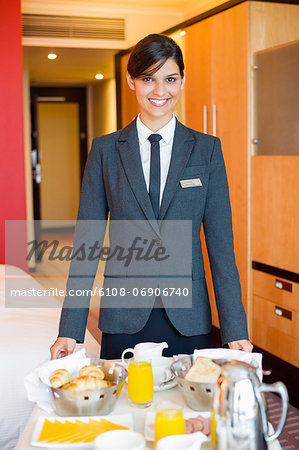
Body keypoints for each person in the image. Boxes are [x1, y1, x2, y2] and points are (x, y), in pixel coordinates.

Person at [50, 33, 252, 360]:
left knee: (186, 409)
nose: (160, 91)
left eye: (170, 79)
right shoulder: (105, 151)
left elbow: (221, 246)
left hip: (188, 315)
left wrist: (235, 329)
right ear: (131, 81)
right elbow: (86, 244)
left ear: (182, 80)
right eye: (148, 79)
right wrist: (70, 329)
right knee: (126, 405)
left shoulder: (206, 150)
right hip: (123, 315)